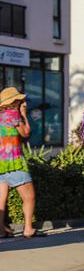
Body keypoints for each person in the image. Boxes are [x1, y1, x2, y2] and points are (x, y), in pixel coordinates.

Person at [0, 88, 41, 238]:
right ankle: (28, 229)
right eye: (20, 100)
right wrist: (24, 114)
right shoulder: (13, 114)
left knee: (0, 202)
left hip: (0, 163)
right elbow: (26, 133)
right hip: (14, 162)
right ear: (14, 102)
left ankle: (1, 231)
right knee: (29, 197)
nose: (22, 103)